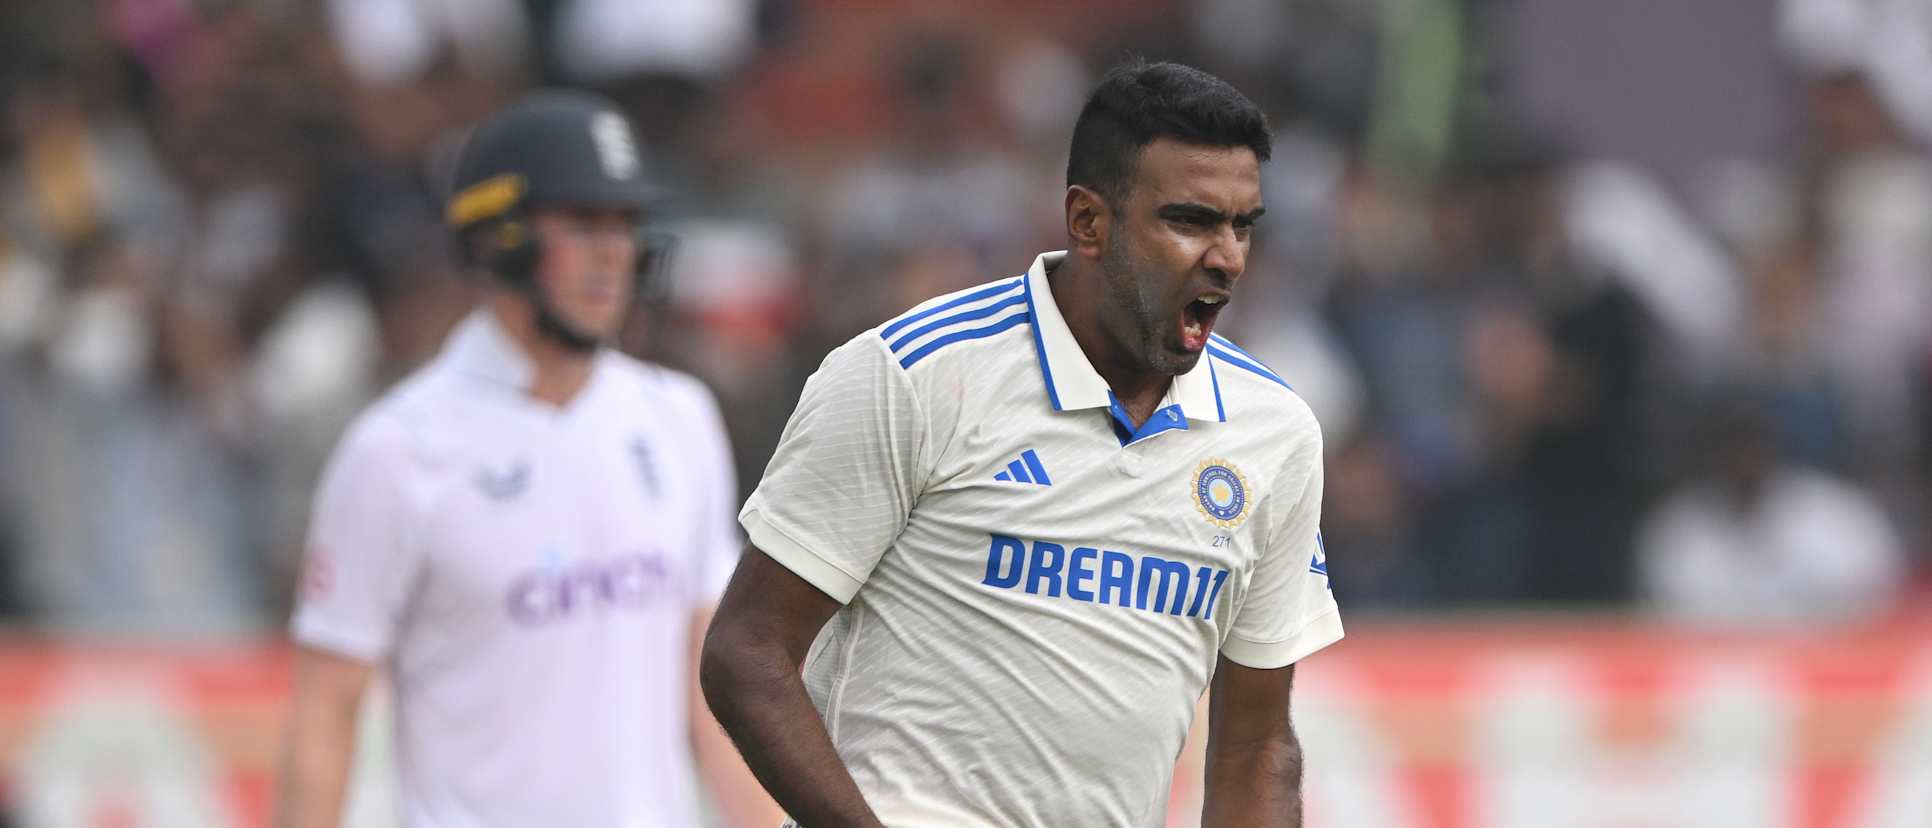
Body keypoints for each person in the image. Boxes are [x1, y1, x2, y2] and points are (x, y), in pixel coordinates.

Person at [701, 61, 1343, 827]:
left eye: (1242, 225)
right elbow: (748, 653)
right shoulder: (914, 375)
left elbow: (1256, 746)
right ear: (1088, 222)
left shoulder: (1273, 431)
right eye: (1190, 221)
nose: (1228, 256)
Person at [275, 91, 779, 828]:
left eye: (625, 223)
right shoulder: (396, 451)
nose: (614, 252)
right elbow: (325, 712)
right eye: (582, 223)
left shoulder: (680, 418)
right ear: (494, 239)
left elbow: (711, 689)